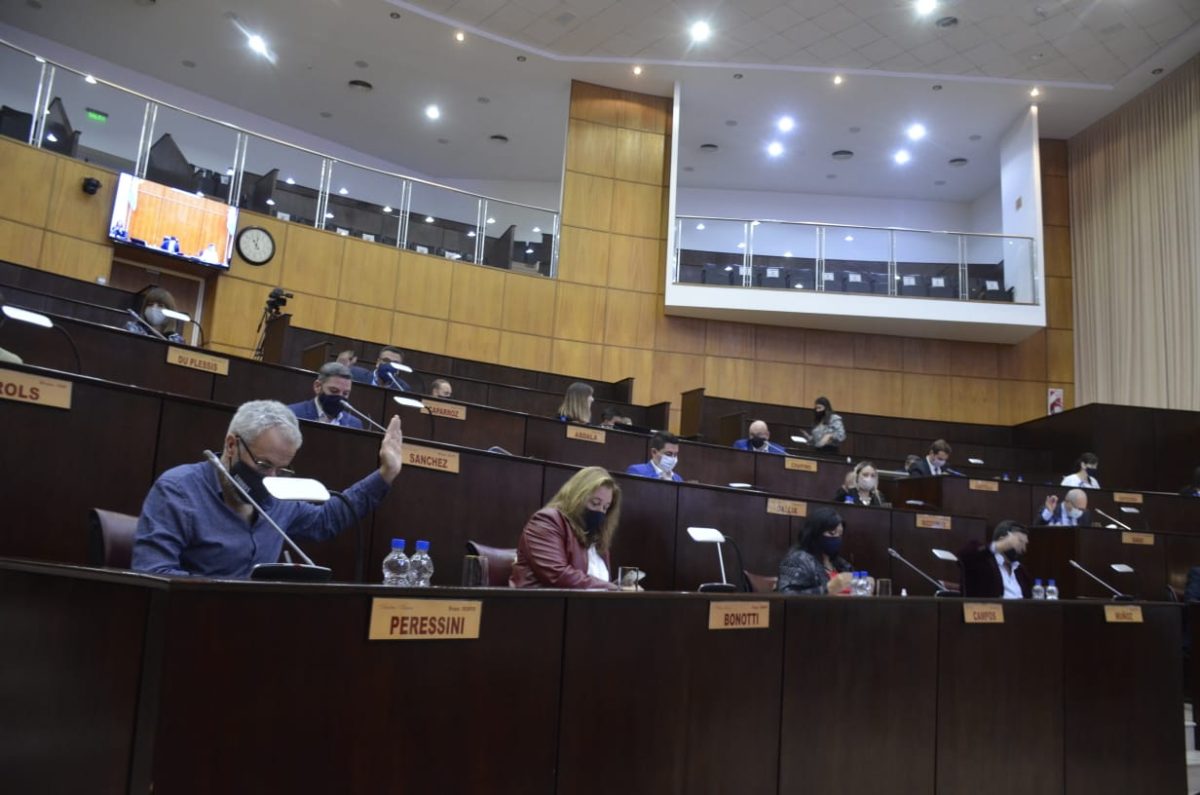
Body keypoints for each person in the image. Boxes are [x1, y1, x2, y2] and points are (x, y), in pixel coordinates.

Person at [132, 401, 403, 578]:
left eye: (281, 468)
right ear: (231, 445)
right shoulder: (179, 490)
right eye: (263, 464)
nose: (271, 477)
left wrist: (385, 474)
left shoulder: (276, 496)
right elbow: (153, 572)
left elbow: (326, 520)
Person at [509, 466, 621, 590]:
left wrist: (620, 586)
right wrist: (613, 588)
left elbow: (597, 580)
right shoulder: (546, 521)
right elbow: (558, 575)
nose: (600, 511)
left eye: (605, 508)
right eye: (595, 503)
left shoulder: (596, 536)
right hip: (541, 605)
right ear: (576, 496)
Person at [776, 506, 856, 595]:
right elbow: (785, 596)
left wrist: (865, 582)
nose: (837, 538)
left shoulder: (841, 563)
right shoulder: (797, 560)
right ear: (815, 532)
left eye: (840, 534)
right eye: (832, 533)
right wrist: (828, 589)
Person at [958, 520, 1032, 599]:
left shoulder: (1020, 570)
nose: (1024, 549)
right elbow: (964, 555)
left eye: (1025, 544)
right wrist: (999, 545)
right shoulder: (984, 562)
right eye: (1020, 542)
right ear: (1002, 540)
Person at [286, 362, 363, 429]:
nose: (340, 397)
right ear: (318, 386)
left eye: (345, 393)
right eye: (334, 391)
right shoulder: (292, 414)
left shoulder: (355, 424)